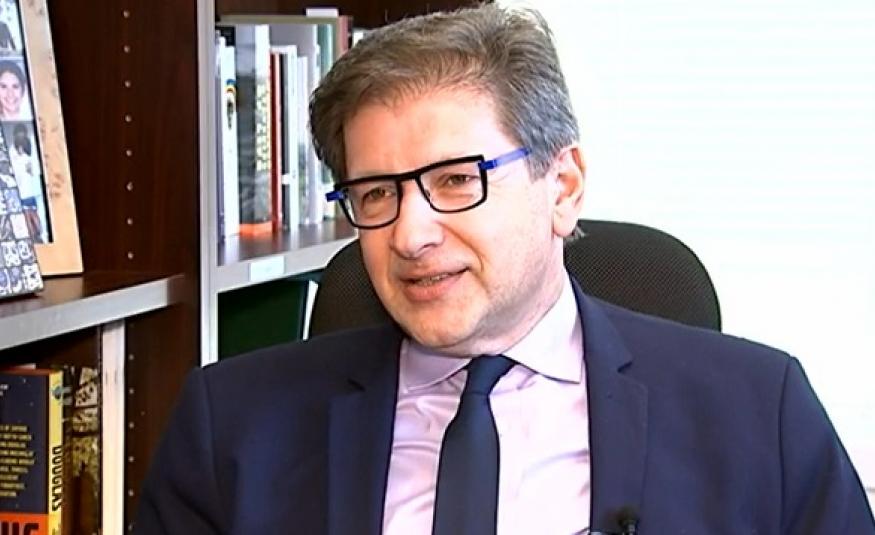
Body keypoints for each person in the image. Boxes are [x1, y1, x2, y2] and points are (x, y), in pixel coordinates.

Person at [134, 5, 874, 534]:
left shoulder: (759, 413)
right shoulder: (231, 427)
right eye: (378, 193)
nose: (410, 235)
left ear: (564, 187)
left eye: (457, 180)